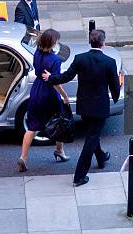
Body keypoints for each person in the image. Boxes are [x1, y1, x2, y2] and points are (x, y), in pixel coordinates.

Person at [43, 29, 120, 187]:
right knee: (91, 139)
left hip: (84, 107)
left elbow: (66, 77)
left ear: (90, 42)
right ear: (103, 44)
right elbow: (115, 89)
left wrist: (51, 78)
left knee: (93, 133)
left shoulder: (80, 59)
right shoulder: (109, 62)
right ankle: (79, 176)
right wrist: (116, 93)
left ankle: (101, 158)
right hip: (99, 108)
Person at [18, 29, 70, 172]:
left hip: (37, 90)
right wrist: (65, 96)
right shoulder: (55, 60)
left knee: (32, 126)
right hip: (50, 93)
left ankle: (23, 157)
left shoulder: (37, 53)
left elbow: (37, 71)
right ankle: (59, 151)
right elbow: (55, 82)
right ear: (53, 43)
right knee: (59, 122)